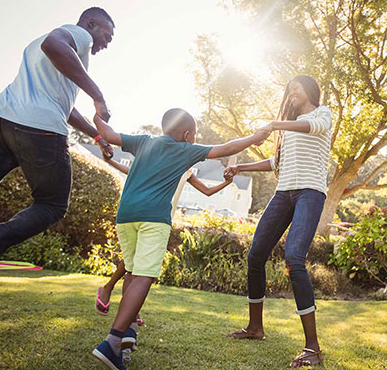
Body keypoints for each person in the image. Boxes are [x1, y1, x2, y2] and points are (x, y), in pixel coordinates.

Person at [91, 108, 270, 370]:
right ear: (187, 134)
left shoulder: (143, 141)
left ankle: (127, 330)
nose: (195, 139)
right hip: (154, 218)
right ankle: (112, 341)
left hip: (125, 216)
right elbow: (225, 147)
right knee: (144, 276)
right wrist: (254, 138)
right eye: (194, 135)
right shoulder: (186, 150)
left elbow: (106, 133)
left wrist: (98, 114)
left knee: (131, 270)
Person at [0, 7, 115, 259]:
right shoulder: (79, 35)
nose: (106, 43)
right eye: (107, 36)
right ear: (91, 24)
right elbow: (53, 45)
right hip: (37, 130)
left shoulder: (43, 46)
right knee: (51, 204)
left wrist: (96, 136)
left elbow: (62, 106)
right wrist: (98, 97)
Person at [224, 75, 332, 368]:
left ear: (309, 90)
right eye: (288, 91)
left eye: (295, 88)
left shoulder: (322, 114)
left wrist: (274, 124)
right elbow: (276, 163)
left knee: (294, 258)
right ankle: (255, 329)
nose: (291, 93)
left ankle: (313, 348)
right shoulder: (289, 129)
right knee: (255, 254)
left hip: (310, 192)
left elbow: (312, 127)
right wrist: (240, 167)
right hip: (283, 193)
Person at [95, 157, 233, 320]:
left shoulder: (187, 171)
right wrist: (111, 162)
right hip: (144, 212)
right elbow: (133, 173)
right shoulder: (160, 161)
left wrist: (227, 182)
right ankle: (127, 310)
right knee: (134, 264)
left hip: (162, 219)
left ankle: (112, 292)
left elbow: (207, 191)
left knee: (135, 262)